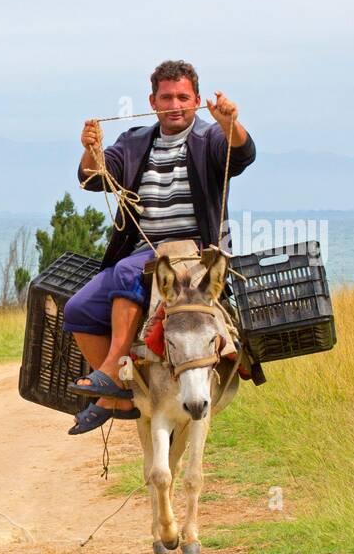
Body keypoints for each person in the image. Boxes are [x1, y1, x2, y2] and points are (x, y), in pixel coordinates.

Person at [64, 59, 256, 435]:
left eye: (183, 97)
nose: (175, 105)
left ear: (198, 100)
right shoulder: (134, 141)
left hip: (196, 254)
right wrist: (91, 149)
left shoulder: (211, 137)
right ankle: (119, 395)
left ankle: (110, 373)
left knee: (123, 272)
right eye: (166, 97)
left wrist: (230, 121)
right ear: (152, 101)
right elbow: (92, 178)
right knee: (77, 308)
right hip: (143, 251)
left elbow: (244, 153)